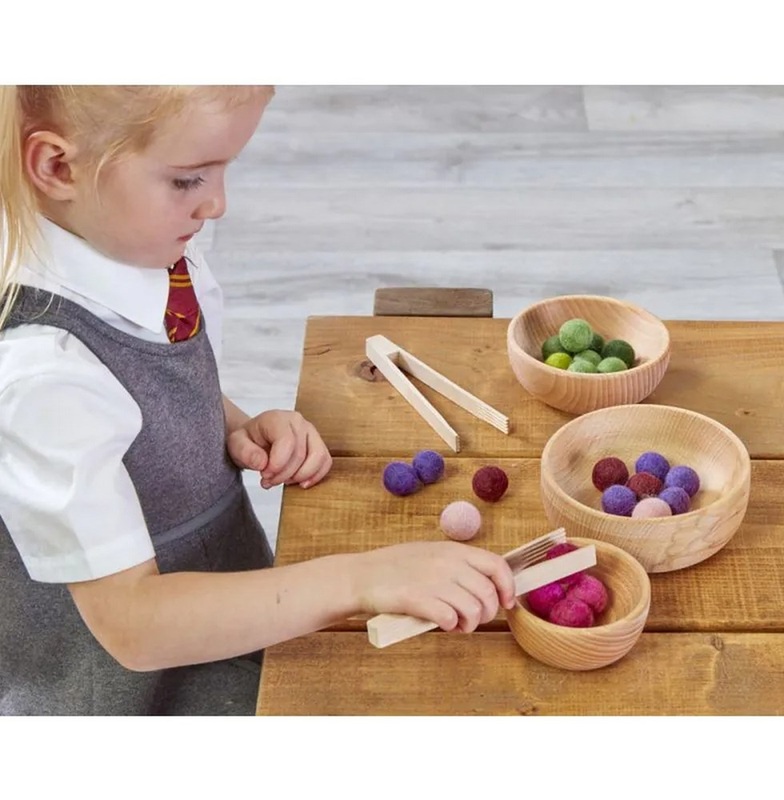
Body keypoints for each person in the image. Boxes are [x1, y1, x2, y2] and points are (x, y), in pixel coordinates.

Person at [0, 85, 516, 715]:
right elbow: (132, 625)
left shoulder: (134, 250)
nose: (216, 204)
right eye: (189, 179)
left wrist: (232, 424)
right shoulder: (39, 374)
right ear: (57, 166)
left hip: (228, 607)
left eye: (223, 170)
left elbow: (137, 390)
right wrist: (361, 579)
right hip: (130, 691)